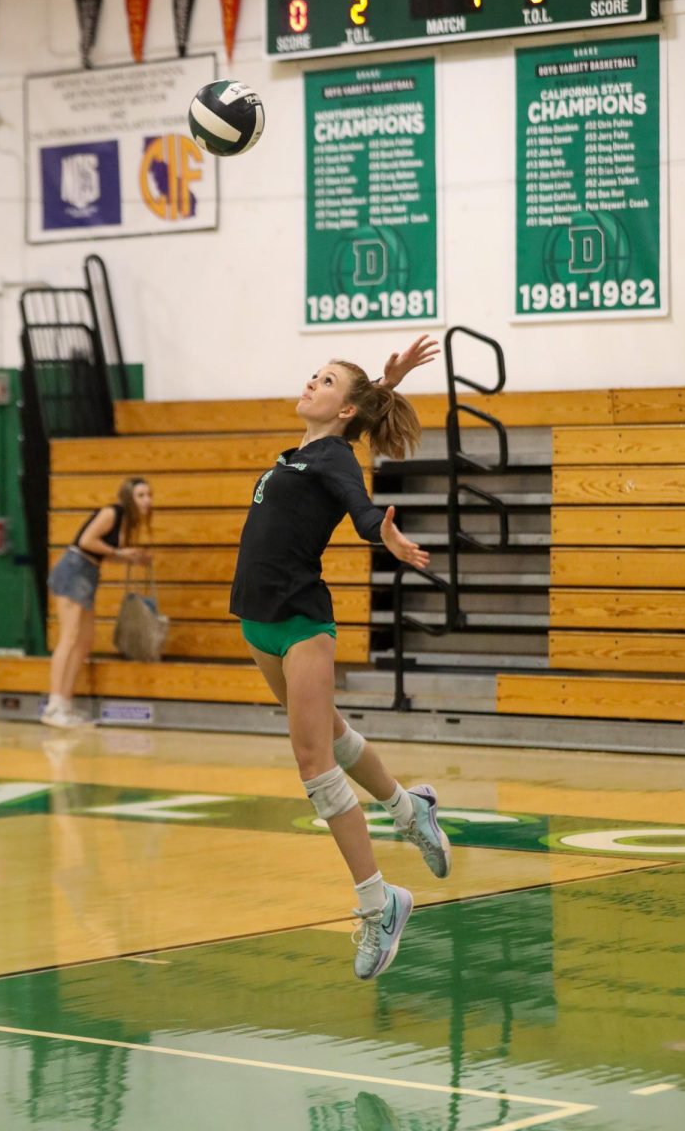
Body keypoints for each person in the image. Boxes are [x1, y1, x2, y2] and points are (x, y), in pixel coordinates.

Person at [230, 336, 451, 981]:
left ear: (345, 409)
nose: (311, 384)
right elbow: (358, 418)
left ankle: (380, 902)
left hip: (301, 622)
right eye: (314, 376)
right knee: (328, 732)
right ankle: (411, 810)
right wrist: (387, 383)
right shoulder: (295, 456)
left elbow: (359, 511)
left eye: (325, 381)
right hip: (257, 622)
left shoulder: (332, 457)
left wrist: (385, 532)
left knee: (314, 765)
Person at [42, 477, 153, 729]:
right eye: (141, 495)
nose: (147, 500)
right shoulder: (111, 512)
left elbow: (101, 552)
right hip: (74, 570)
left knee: (84, 641)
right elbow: (86, 542)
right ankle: (54, 704)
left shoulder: (126, 521)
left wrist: (132, 560)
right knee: (69, 638)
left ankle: (65, 704)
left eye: (149, 494)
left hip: (88, 573)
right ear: (128, 497)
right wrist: (120, 553)